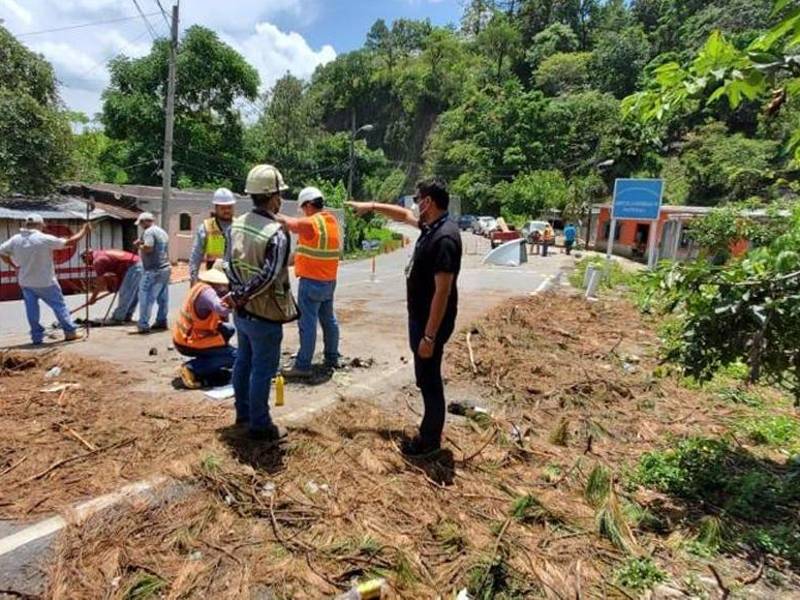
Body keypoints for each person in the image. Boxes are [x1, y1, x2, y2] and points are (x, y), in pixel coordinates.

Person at [347, 178, 461, 456]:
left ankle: (429, 441)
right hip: (421, 319)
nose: (414, 204)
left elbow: (442, 292)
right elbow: (404, 216)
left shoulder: (445, 238)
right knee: (425, 375)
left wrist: (429, 336)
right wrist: (371, 206)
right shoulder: (432, 226)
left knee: (429, 379)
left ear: (429, 202)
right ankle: (429, 432)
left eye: (418, 198)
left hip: (429, 323)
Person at [224, 164, 298, 441]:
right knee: (261, 369)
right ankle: (260, 424)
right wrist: (244, 294)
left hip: (241, 312)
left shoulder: (236, 226)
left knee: (243, 361)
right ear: (273, 196)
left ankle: (242, 414)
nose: (281, 199)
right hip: (264, 313)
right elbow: (269, 275)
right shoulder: (275, 233)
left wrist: (236, 295)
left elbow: (227, 265)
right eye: (280, 194)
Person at [278, 186, 341, 378]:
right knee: (328, 320)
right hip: (328, 281)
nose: (303, 212)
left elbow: (288, 223)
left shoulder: (313, 223)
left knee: (308, 324)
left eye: (303, 208)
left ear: (309, 204)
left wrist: (267, 212)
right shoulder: (331, 222)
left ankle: (303, 365)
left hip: (312, 283)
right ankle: (331, 357)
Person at [0, 214, 90, 344]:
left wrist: (14, 266)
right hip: (46, 281)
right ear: (40, 224)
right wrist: (84, 231)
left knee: (32, 310)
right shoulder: (43, 238)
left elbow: (2, 252)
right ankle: (70, 332)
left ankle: (36, 337)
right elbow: (69, 242)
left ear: (26, 225)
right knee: (59, 306)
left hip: (25, 281)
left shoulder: (15, 239)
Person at [173, 260, 236, 389]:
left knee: (229, 330)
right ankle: (193, 368)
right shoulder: (208, 293)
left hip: (184, 335)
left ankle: (214, 358)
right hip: (191, 340)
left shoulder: (200, 286)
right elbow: (221, 309)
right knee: (237, 356)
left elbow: (223, 320)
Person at [132, 212, 171, 334]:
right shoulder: (161, 231)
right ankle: (161, 320)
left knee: (146, 297)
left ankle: (143, 324)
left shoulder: (149, 232)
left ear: (145, 221)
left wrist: (139, 245)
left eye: (141, 223)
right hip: (165, 268)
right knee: (162, 297)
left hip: (153, 270)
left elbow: (149, 247)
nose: (141, 226)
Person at [81, 248, 143, 323]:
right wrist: (118, 286)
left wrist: (93, 298)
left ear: (88, 254)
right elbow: (120, 269)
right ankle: (127, 315)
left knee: (126, 293)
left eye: (84, 258)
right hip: (139, 264)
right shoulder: (102, 254)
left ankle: (118, 317)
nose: (85, 262)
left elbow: (100, 283)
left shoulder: (98, 260)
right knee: (133, 294)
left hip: (134, 266)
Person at [189, 188, 236, 286]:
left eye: (229, 207)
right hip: (213, 277)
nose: (227, 210)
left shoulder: (239, 226)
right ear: (216, 208)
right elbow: (196, 255)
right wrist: (194, 278)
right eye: (223, 208)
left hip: (235, 277)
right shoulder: (206, 227)